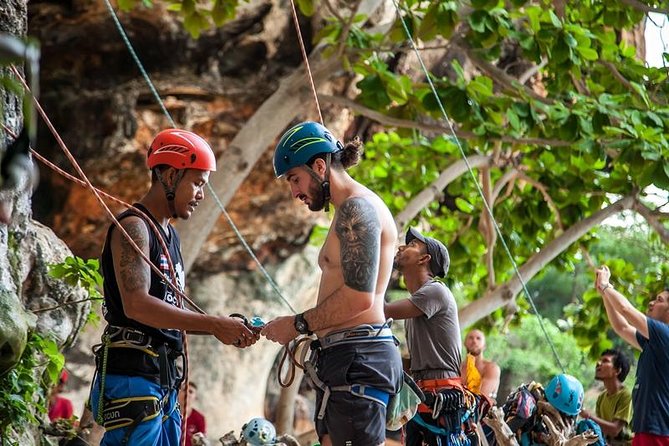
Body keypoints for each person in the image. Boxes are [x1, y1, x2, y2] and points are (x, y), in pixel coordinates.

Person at [89, 129, 259, 446]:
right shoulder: (134, 228)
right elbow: (136, 305)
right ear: (169, 176)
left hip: (161, 380)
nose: (201, 194)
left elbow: (170, 312)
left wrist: (223, 326)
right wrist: (213, 324)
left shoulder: (169, 236)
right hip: (134, 379)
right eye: (197, 183)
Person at [262, 121, 403, 446]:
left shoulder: (357, 209)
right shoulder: (349, 209)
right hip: (349, 360)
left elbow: (359, 299)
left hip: (359, 359)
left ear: (319, 166)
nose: (295, 192)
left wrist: (297, 325)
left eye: (295, 179)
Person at [384, 227, 465, 445]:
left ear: (425, 258)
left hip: (440, 392)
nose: (402, 247)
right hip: (423, 393)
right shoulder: (416, 304)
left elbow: (381, 310)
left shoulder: (435, 292)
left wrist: (376, 263)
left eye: (411, 245)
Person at [595, 265, 669, 446]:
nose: (651, 303)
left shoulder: (664, 334)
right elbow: (622, 327)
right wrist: (605, 294)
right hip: (646, 430)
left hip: (658, 434)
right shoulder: (653, 342)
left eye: (659, 300)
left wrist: (606, 286)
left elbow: (625, 309)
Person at [580, 349, 633, 446]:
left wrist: (588, 416)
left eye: (605, 361)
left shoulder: (626, 395)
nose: (598, 364)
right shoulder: (601, 397)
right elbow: (600, 429)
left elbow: (615, 430)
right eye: (599, 360)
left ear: (617, 370)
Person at [461, 329, 501, 401]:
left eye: (478, 338)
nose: (474, 341)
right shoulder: (458, 367)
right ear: (464, 343)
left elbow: (481, 397)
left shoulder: (491, 368)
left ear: (484, 345)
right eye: (471, 338)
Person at [179, 381, 207, 446]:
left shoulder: (200, 418)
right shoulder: (169, 415)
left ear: (195, 397)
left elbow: (202, 441)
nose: (186, 394)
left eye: (190, 392)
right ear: (178, 393)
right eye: (184, 390)